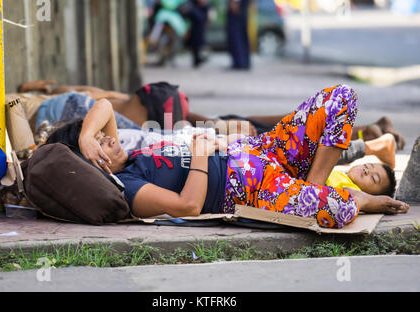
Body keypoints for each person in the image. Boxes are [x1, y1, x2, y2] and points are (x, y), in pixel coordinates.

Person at [46, 84, 409, 229]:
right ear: (93, 164)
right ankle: (343, 198)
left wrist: (86, 135)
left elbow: (105, 105)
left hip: (260, 151)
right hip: (251, 187)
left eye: (104, 139)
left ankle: (312, 188)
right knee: (340, 211)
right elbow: (187, 206)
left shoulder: (126, 155)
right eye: (102, 146)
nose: (111, 141)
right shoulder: (126, 186)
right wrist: (201, 155)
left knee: (340, 98)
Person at [227, 0, 252, 70]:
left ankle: (239, 62)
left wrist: (233, 5)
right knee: (243, 36)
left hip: (237, 11)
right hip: (243, 9)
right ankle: (244, 62)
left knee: (236, 37)